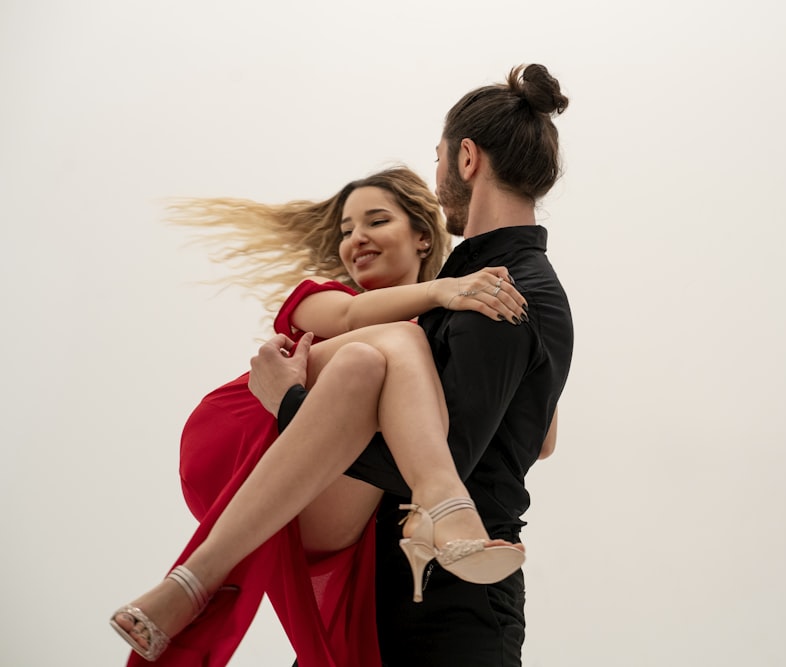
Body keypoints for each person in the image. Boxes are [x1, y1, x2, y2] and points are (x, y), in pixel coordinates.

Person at [109, 166, 531, 666]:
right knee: (387, 344)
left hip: (322, 498)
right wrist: (444, 290)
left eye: (375, 221)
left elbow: (535, 441)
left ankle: (193, 585)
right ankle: (442, 505)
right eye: (347, 230)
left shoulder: (446, 335)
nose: (357, 239)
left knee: (370, 359)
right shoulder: (321, 296)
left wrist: (526, 356)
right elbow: (354, 320)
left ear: (423, 236)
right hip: (247, 434)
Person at [252, 63, 573, 666]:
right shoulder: (484, 286)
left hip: (448, 613)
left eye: (439, 158)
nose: (437, 175)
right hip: (389, 602)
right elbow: (536, 437)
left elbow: (441, 465)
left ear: (468, 159)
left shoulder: (495, 293)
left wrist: (290, 406)